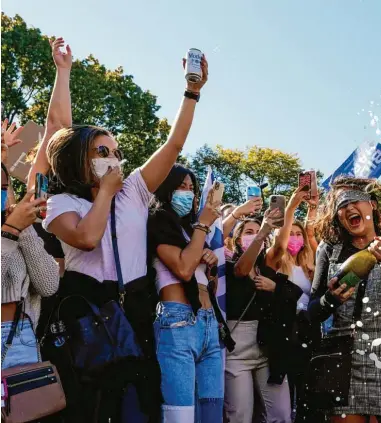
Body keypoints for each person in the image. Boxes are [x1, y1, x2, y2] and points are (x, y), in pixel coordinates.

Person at [40, 52, 209, 421]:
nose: (113, 158)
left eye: (116, 152)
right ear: (77, 159)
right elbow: (86, 238)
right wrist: (103, 192)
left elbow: (173, 146)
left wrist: (191, 92)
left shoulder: (133, 191)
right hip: (88, 313)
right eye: (102, 152)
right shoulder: (60, 203)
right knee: (94, 407)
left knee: (139, 406)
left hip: (136, 308)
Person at [308, 176, 381, 423]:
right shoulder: (329, 250)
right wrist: (330, 300)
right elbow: (312, 312)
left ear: (371, 204)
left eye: (354, 199)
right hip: (345, 361)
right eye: (340, 203)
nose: (348, 206)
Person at [148, 164, 236, 422]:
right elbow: (184, 269)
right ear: (166, 189)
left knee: (211, 413)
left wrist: (208, 263)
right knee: (181, 415)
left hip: (208, 321)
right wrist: (203, 226)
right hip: (178, 321)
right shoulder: (158, 220)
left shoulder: (190, 229)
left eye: (191, 188)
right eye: (180, 187)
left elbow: (206, 281)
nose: (187, 193)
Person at [224, 211, 302, 423]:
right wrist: (264, 231)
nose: (255, 235)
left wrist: (275, 288)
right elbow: (241, 269)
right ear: (237, 240)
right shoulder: (230, 266)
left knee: (281, 414)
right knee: (239, 415)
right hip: (236, 352)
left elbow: (293, 292)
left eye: (258, 232)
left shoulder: (266, 269)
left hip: (267, 349)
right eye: (249, 232)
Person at [270, 187, 320, 421]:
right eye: (292, 234)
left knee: (307, 388)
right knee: (286, 391)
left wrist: (312, 209)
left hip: (308, 333)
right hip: (285, 333)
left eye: (299, 235)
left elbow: (313, 235)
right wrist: (290, 208)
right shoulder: (279, 262)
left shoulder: (310, 267)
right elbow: (280, 243)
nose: (296, 239)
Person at [2, 189, 59, 369]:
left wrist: (23, 230)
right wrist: (10, 233)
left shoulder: (17, 229)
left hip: (22, 338)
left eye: (3, 187)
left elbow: (48, 285)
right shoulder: (10, 232)